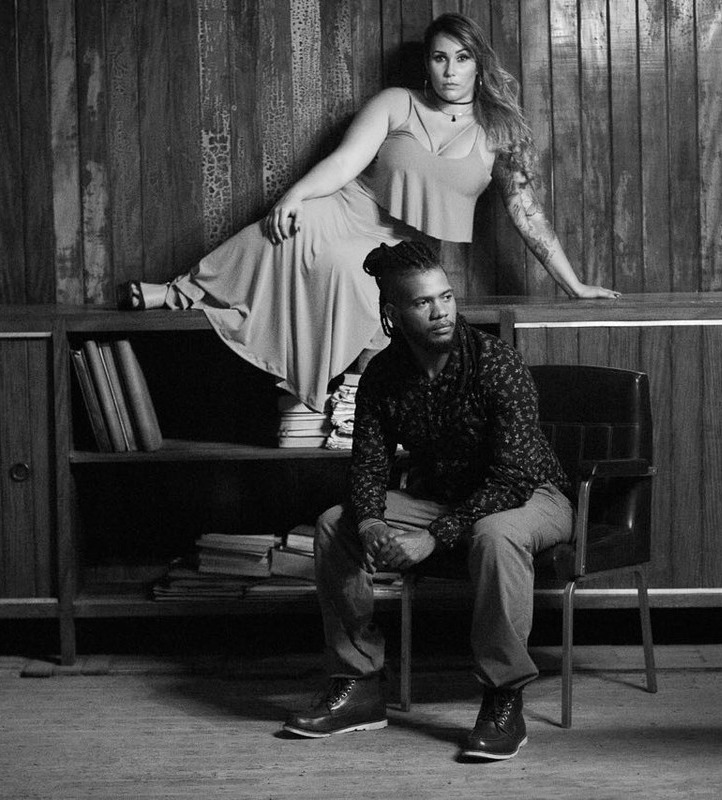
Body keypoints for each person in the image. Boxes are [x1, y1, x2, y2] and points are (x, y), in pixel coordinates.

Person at [118, 13, 618, 412]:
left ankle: (333, 398)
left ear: (478, 65)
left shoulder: (499, 133)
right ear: (427, 65)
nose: (450, 70)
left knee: (350, 272)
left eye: (462, 58)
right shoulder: (396, 102)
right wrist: (293, 196)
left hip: (400, 246)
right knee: (286, 228)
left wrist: (573, 285)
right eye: (440, 58)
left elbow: (527, 214)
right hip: (346, 208)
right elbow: (343, 163)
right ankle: (180, 291)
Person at [281, 240, 574, 761]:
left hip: (531, 495)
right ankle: (359, 685)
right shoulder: (382, 376)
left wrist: (433, 538)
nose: (441, 312)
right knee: (334, 524)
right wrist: (371, 523)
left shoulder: (495, 363)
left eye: (446, 297)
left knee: (495, 533)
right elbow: (369, 466)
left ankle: (503, 698)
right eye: (422, 302)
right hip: (441, 499)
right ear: (392, 314)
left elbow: (510, 478)